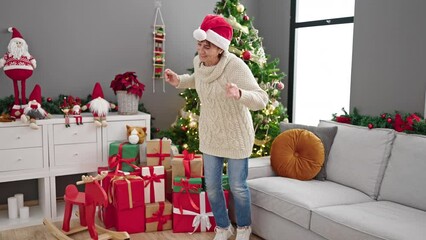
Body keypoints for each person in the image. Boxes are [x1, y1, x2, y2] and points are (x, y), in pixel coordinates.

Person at [164, 14, 268, 240]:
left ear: (220, 48)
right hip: (211, 134)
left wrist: (240, 94)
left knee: (237, 186)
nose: (201, 51)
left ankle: (243, 228)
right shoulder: (198, 62)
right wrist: (179, 81)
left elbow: (261, 99)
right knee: (211, 186)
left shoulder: (235, 66)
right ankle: (223, 226)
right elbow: (198, 78)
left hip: (236, 135)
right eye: (199, 45)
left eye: (207, 47)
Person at [0, 27, 37, 118]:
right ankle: (16, 105)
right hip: (12, 71)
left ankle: (24, 105)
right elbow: (3, 59)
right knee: (15, 86)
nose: (18, 44)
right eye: (16, 43)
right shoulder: (9, 53)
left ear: (23, 44)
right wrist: (1, 63)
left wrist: (33, 63)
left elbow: (31, 58)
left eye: (20, 43)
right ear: (12, 44)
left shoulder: (26, 53)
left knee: (23, 86)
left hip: (25, 70)